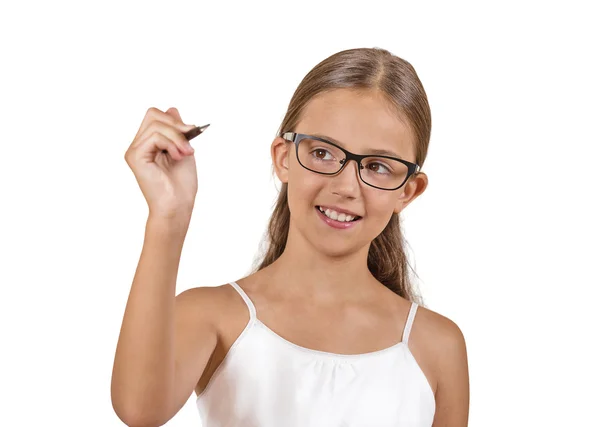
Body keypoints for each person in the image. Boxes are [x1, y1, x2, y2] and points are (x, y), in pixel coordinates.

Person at [111, 47, 470, 427]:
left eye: (378, 166)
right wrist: (169, 216)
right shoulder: (212, 317)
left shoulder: (437, 346)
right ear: (284, 157)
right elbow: (139, 410)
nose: (346, 186)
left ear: (408, 191)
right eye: (322, 152)